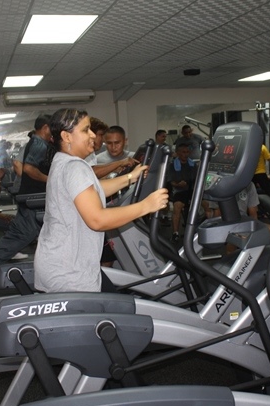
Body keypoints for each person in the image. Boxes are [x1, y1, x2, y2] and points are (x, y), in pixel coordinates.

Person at [33, 108, 168, 293]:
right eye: (85, 130)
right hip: (70, 274)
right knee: (114, 308)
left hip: (61, 265)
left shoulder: (62, 161)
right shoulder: (75, 167)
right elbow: (97, 220)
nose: (92, 135)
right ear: (66, 136)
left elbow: (93, 191)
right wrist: (146, 206)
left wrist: (130, 178)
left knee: (116, 303)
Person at [0, 115, 53, 270]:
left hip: (32, 195)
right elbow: (28, 168)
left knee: (25, 230)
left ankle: (0, 256)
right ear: (45, 128)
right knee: (27, 231)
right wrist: (50, 179)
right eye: (52, 128)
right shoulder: (39, 144)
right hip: (33, 196)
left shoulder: (37, 143)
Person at [167, 142, 198, 242]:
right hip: (179, 191)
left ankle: (199, 231)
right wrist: (178, 184)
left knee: (206, 204)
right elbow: (171, 182)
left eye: (187, 152)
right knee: (177, 207)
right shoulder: (172, 165)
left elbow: (196, 179)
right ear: (178, 153)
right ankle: (175, 233)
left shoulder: (193, 165)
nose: (185, 154)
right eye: (183, 152)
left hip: (192, 190)